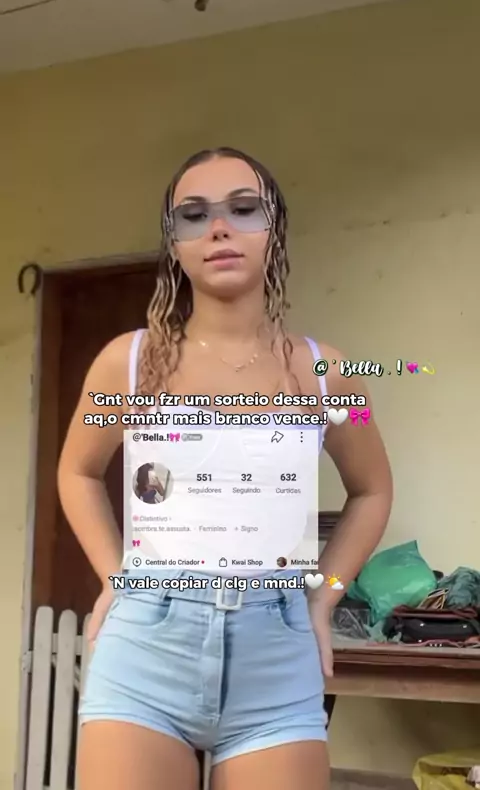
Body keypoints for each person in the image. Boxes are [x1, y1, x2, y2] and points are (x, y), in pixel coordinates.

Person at [57, 147, 393, 790]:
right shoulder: (127, 363)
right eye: (194, 215)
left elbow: (372, 490)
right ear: (174, 241)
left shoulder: (327, 373)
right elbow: (78, 472)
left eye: (243, 210)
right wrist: (113, 576)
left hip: (278, 656)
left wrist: (324, 598)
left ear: (275, 230)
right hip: (146, 648)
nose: (218, 229)